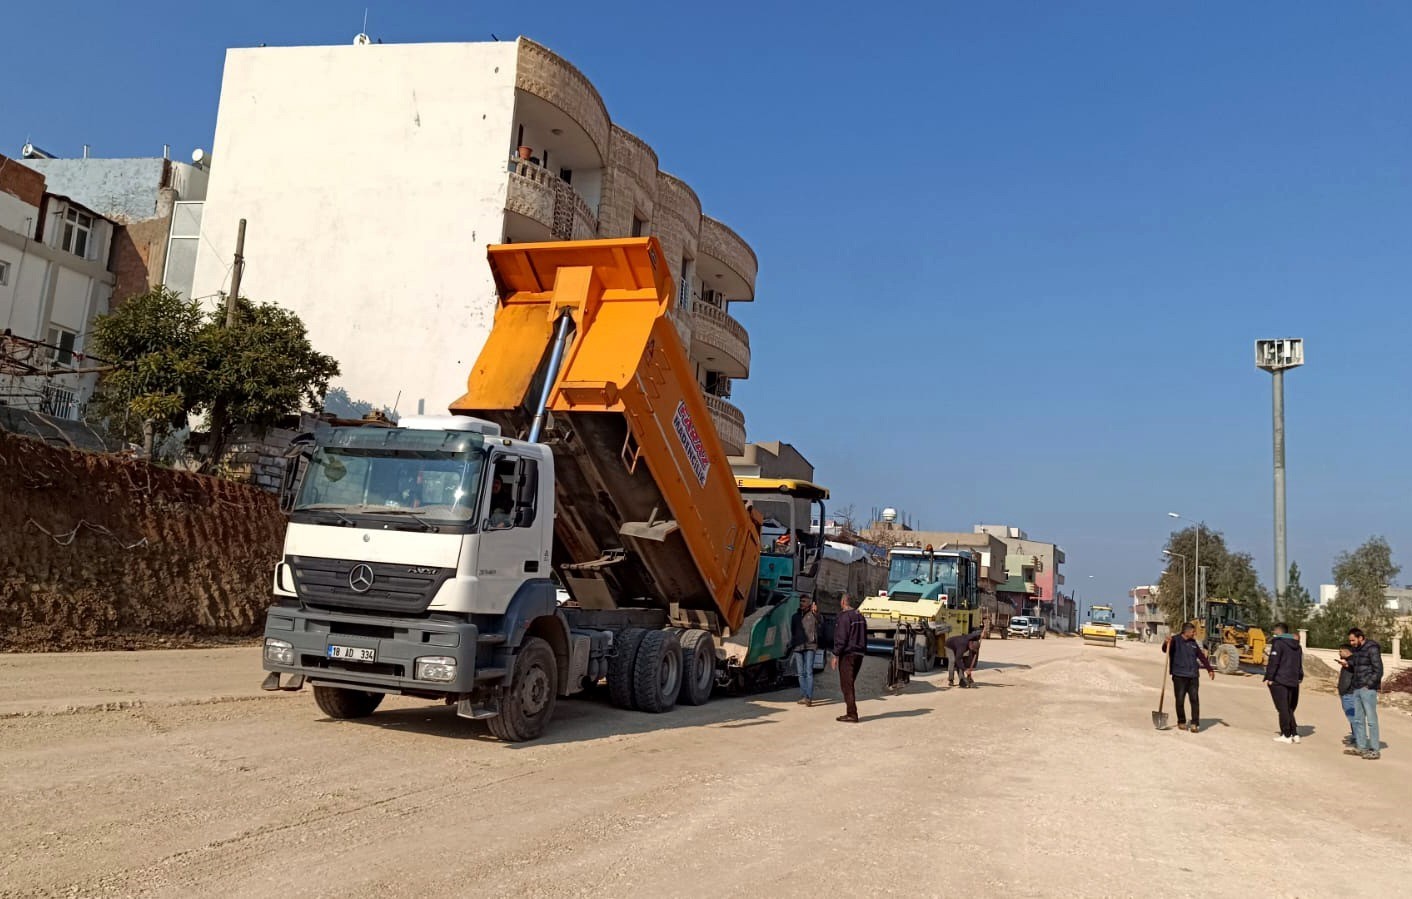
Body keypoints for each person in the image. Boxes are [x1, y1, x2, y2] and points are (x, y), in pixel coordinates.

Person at [1162, 623, 1215, 733]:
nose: (1194, 633)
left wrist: (1209, 669)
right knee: (1180, 700)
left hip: (1193, 676)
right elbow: (1165, 649)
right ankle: (1181, 721)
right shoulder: (1175, 640)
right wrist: (1166, 642)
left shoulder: (1193, 643)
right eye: (1193, 632)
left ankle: (1195, 723)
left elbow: (1201, 656)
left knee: (1194, 700)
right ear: (1186, 631)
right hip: (1179, 676)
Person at [1344, 627, 1384, 761]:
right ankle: (1361, 747)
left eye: (1353, 640)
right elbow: (1356, 664)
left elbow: (1378, 670)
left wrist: (1369, 684)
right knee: (1358, 719)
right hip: (1357, 687)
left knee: (1371, 721)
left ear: (1360, 638)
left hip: (1368, 689)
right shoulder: (1357, 649)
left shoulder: (1372, 648)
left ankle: (1374, 749)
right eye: (1350, 641)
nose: (1351, 643)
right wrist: (1347, 663)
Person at [1264, 622, 1304, 744]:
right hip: (1292, 680)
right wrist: (1299, 676)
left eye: (1274, 632)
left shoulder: (1278, 643)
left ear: (1278, 631)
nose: (1274, 634)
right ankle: (1294, 733)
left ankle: (1286, 735)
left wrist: (1269, 677)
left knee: (1282, 708)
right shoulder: (1297, 646)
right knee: (1289, 708)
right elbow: (1299, 663)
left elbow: (1274, 661)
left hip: (1279, 679)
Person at [831, 593, 867, 723]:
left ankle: (852, 714)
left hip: (848, 654)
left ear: (842, 602)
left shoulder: (844, 617)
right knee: (850, 683)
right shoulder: (860, 616)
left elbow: (841, 637)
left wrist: (835, 654)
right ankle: (851, 712)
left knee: (847, 685)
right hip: (859, 654)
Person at [790, 597, 822, 706]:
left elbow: (820, 621)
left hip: (810, 646)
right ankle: (803, 695)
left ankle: (808, 697)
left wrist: (816, 612)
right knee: (800, 673)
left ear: (809, 603)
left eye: (804, 601)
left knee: (808, 671)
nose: (801, 603)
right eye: (800, 601)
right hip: (798, 646)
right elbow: (793, 630)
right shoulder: (795, 616)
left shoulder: (813, 615)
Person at [1337, 644, 1358, 747]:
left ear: (1347, 651)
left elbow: (1352, 664)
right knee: (1351, 717)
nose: (1339, 653)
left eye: (1341, 651)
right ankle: (1355, 737)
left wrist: (1347, 664)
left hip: (1349, 693)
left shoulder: (1352, 660)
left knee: (1353, 717)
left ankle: (1359, 740)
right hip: (1346, 693)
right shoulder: (1348, 661)